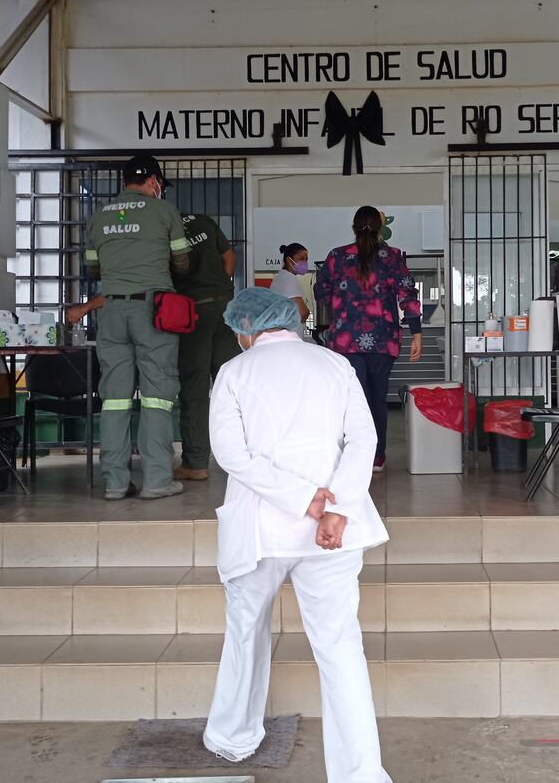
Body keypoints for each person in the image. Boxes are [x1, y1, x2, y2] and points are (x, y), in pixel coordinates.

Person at [203, 287, 392, 783]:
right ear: (290, 321)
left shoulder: (234, 372)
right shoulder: (334, 364)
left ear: (246, 330)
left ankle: (233, 738)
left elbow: (231, 454)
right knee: (340, 647)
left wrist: (298, 498)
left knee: (246, 632)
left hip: (261, 528)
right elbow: (364, 439)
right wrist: (336, 509)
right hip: (331, 530)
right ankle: (361, 774)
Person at [82, 154, 191, 500]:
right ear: (154, 181)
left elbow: (93, 267)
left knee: (114, 399)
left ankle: (115, 482)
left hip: (111, 310)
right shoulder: (164, 211)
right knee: (157, 395)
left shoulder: (99, 215)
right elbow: (183, 261)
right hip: (153, 309)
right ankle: (157, 479)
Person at [315, 206, 422, 474]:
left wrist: (342, 309)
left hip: (345, 339)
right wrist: (416, 331)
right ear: (379, 228)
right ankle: (377, 456)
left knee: (351, 399)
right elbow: (408, 294)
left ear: (354, 227)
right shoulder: (393, 257)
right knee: (377, 398)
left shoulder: (336, 256)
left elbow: (321, 291)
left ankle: (352, 455)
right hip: (383, 339)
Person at [172, 211, 242, 482]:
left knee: (195, 388)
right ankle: (246, 455)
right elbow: (230, 257)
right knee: (232, 384)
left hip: (193, 312)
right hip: (224, 307)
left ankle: (196, 462)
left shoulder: (163, 228)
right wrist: (221, 289)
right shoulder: (204, 221)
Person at [270, 242, 312, 324]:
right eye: (301, 259)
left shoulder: (281, 277)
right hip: (289, 333)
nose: (304, 262)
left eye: (306, 259)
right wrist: (307, 312)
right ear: (289, 260)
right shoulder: (289, 279)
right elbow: (302, 312)